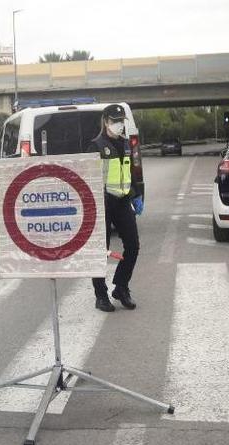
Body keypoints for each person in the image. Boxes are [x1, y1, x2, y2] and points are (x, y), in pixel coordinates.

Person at [89, 104, 144, 312]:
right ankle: (101, 295)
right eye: (115, 121)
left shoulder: (125, 144)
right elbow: (88, 178)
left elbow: (130, 172)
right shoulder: (95, 146)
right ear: (105, 122)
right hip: (103, 203)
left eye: (121, 121)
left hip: (122, 201)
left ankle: (121, 287)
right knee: (99, 252)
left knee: (133, 246)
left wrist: (136, 195)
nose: (119, 125)